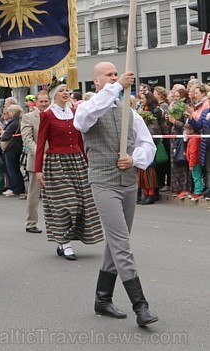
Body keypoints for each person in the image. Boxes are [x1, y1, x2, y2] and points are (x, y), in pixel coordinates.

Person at [74, 62, 158, 327]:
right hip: (103, 183)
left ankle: (102, 298)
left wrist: (133, 159)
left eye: (116, 74)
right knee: (122, 244)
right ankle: (140, 306)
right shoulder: (87, 108)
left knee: (115, 242)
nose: (115, 78)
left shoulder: (130, 113)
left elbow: (148, 145)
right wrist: (116, 86)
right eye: (109, 75)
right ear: (96, 82)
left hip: (128, 183)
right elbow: (82, 120)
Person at [35, 84, 103, 260]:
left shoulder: (75, 112)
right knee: (66, 203)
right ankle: (65, 243)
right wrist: (38, 170)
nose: (66, 93)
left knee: (81, 203)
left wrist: (87, 163)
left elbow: (80, 140)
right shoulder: (47, 115)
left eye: (67, 91)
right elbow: (41, 143)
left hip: (76, 161)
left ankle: (62, 239)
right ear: (53, 95)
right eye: (61, 91)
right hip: (56, 163)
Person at [21, 91, 50, 233]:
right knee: (34, 194)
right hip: (36, 161)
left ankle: (57, 222)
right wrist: (40, 154)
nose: (44, 104)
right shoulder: (28, 117)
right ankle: (31, 222)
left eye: (46, 102)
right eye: (41, 102)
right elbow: (27, 139)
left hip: (55, 160)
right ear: (36, 102)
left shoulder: (54, 115)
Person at [0, 105, 25, 199]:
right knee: (15, 168)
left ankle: (16, 189)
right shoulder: (19, 121)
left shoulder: (13, 123)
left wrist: (2, 133)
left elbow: (6, 136)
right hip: (16, 147)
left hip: (11, 147)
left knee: (12, 169)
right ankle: (19, 188)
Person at [184, 122, 203, 201]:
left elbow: (193, 152)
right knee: (196, 176)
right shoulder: (193, 138)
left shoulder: (194, 139)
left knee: (196, 177)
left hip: (195, 162)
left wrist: (191, 164)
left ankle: (198, 192)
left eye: (186, 130)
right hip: (195, 161)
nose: (185, 131)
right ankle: (196, 191)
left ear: (191, 130)